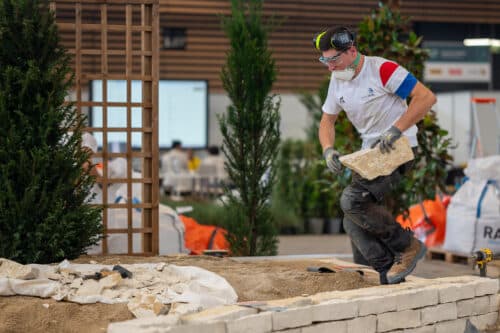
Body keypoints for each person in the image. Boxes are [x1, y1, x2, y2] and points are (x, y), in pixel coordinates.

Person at [314, 26, 437, 284]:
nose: (330, 67)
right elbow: (327, 122)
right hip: (372, 152)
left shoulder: (382, 70)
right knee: (352, 221)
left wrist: (396, 129)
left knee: (352, 201)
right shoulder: (337, 81)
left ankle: (407, 247)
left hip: (400, 146)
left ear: (352, 51)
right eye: (325, 60)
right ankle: (388, 271)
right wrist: (328, 150)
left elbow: (425, 98)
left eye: (334, 59)